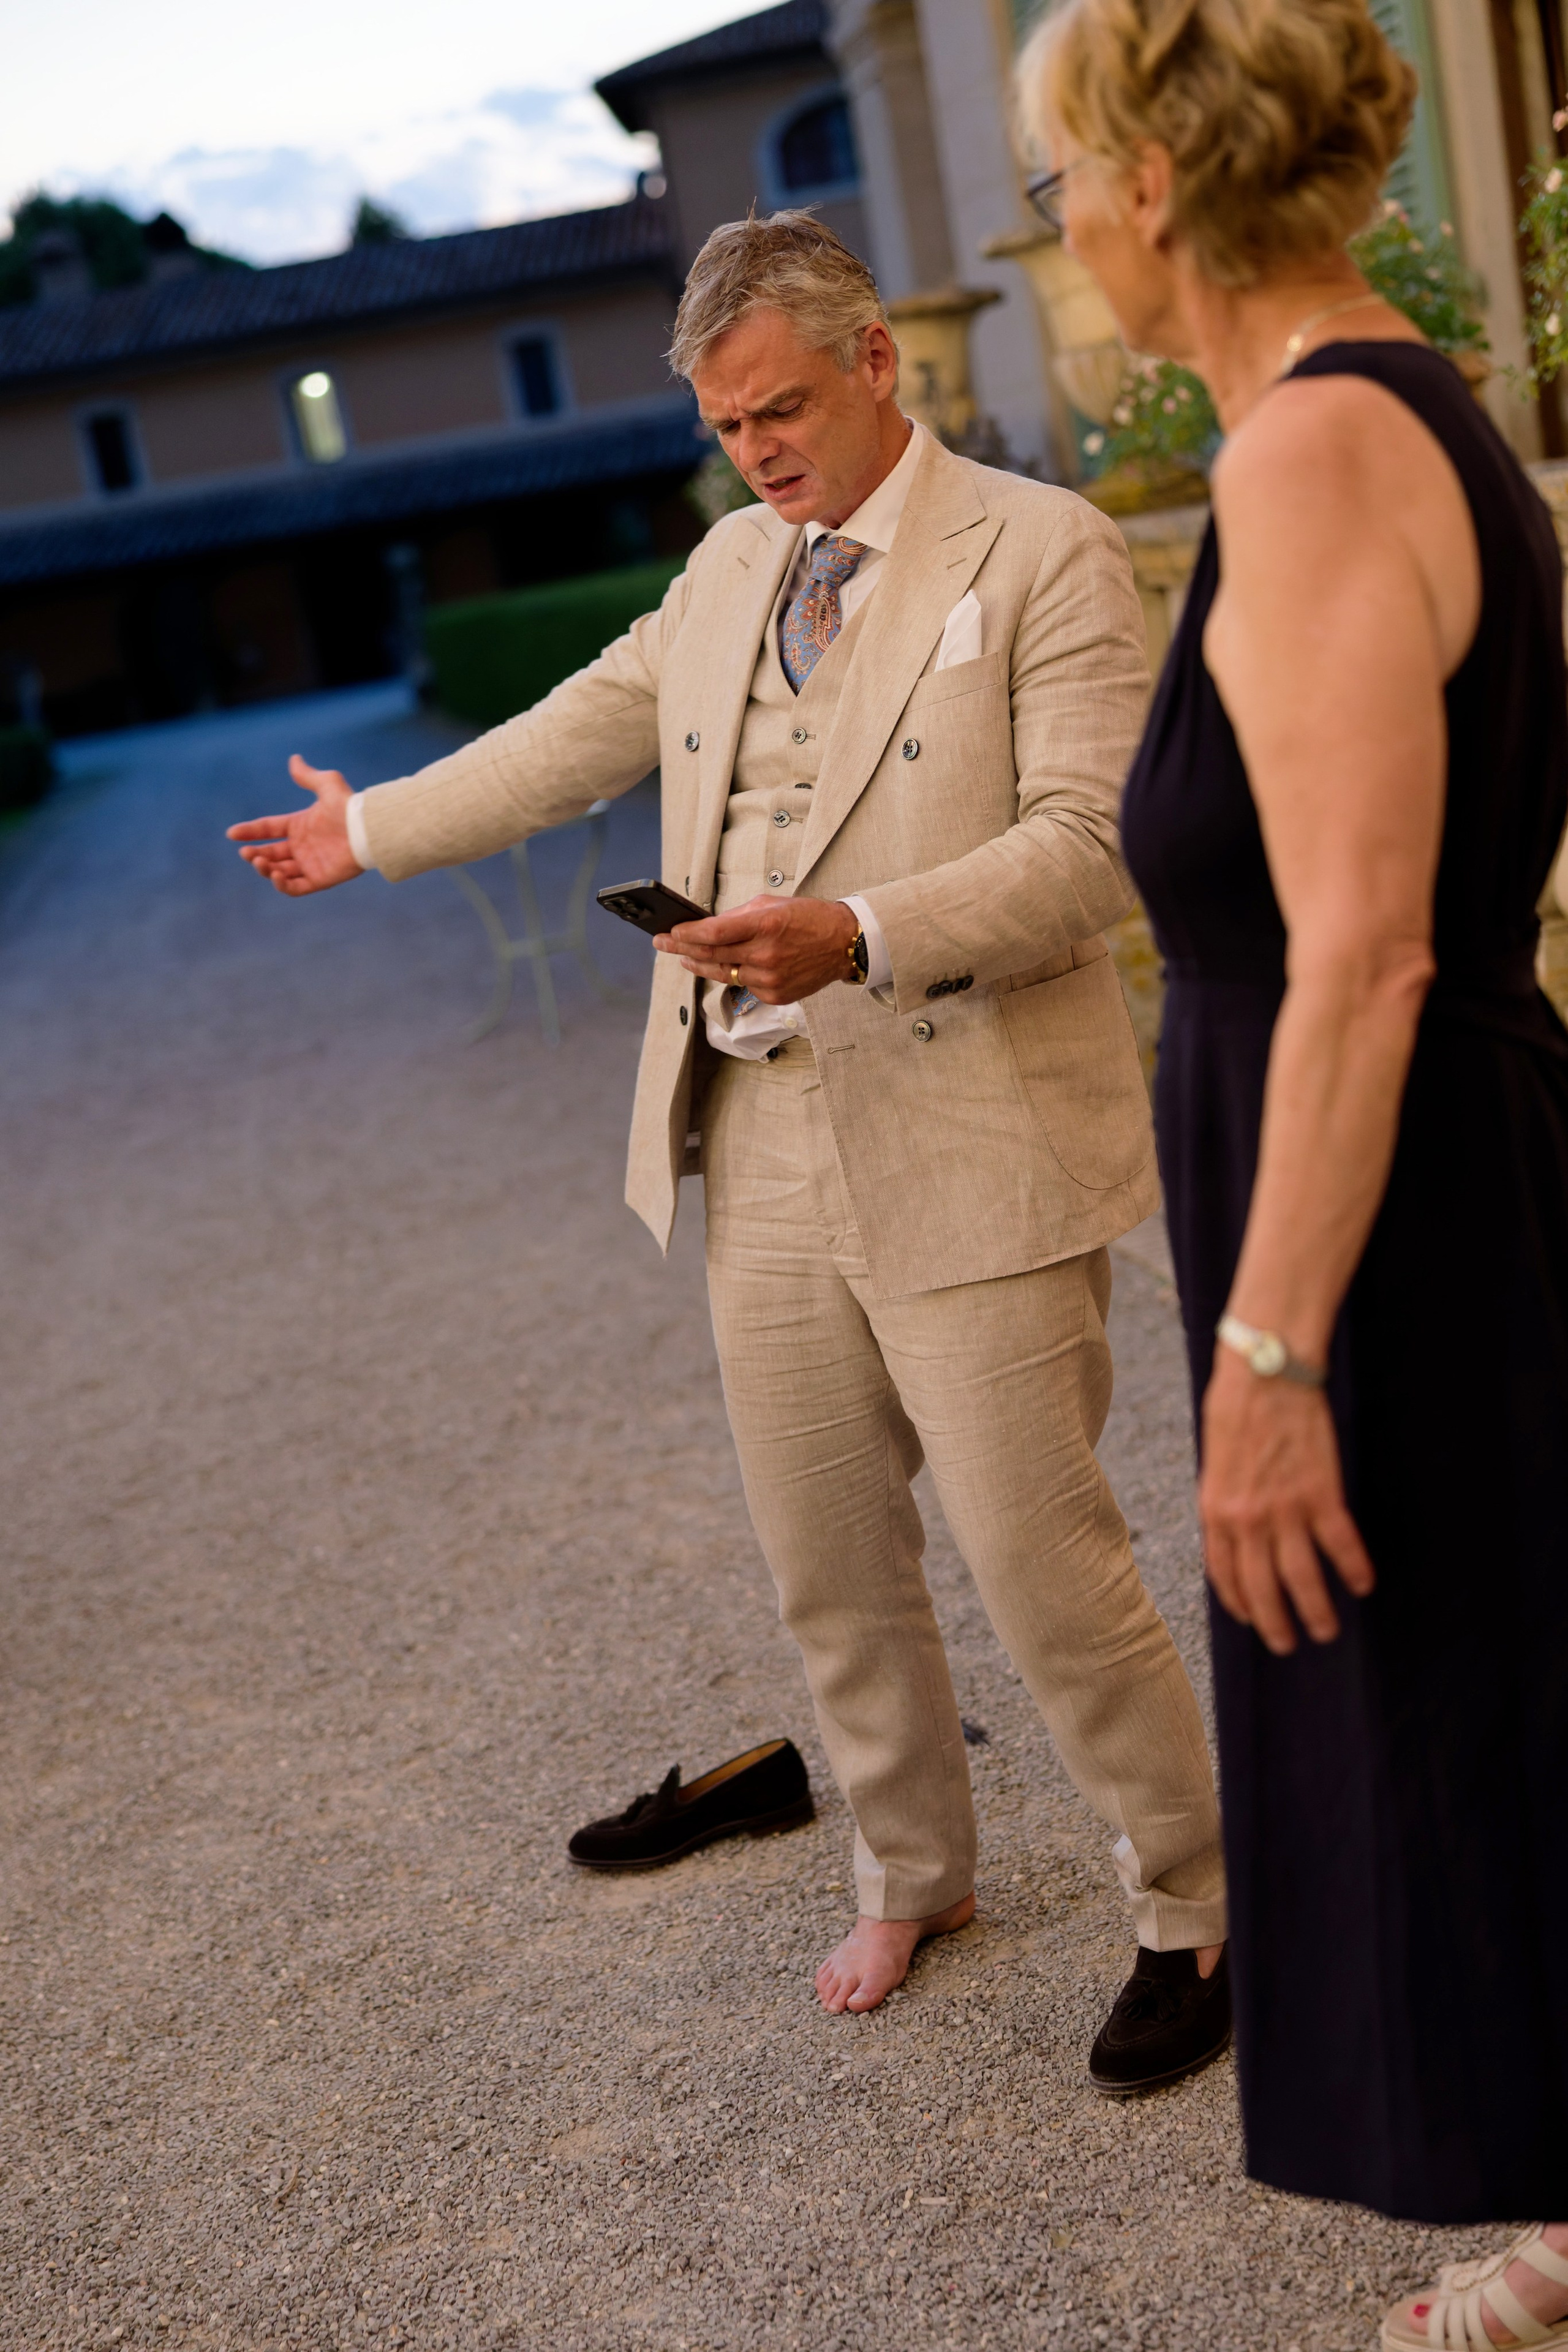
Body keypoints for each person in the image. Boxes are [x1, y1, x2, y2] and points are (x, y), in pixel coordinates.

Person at [228, 211, 1230, 2086]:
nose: (760, 452)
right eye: (726, 429)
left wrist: (857, 931)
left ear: (878, 362)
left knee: (1040, 1557)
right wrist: (366, 832)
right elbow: (566, 739)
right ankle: (913, 1861)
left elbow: (1100, 847)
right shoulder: (720, 574)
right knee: (826, 1556)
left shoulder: (1048, 549)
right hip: (756, 1130)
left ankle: (1192, 1898)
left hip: (971, 1126)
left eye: (781, 410)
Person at [1020, 0, 1568, 2334]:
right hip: (1412, 1195)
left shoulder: (1313, 458)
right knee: (1505, 1717)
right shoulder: (1364, 411)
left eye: (1060, 176)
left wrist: (1266, 1356)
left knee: (1472, 1732)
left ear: (1155, 183)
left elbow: (1361, 956)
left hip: (1399, 1225)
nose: (1052, 225)